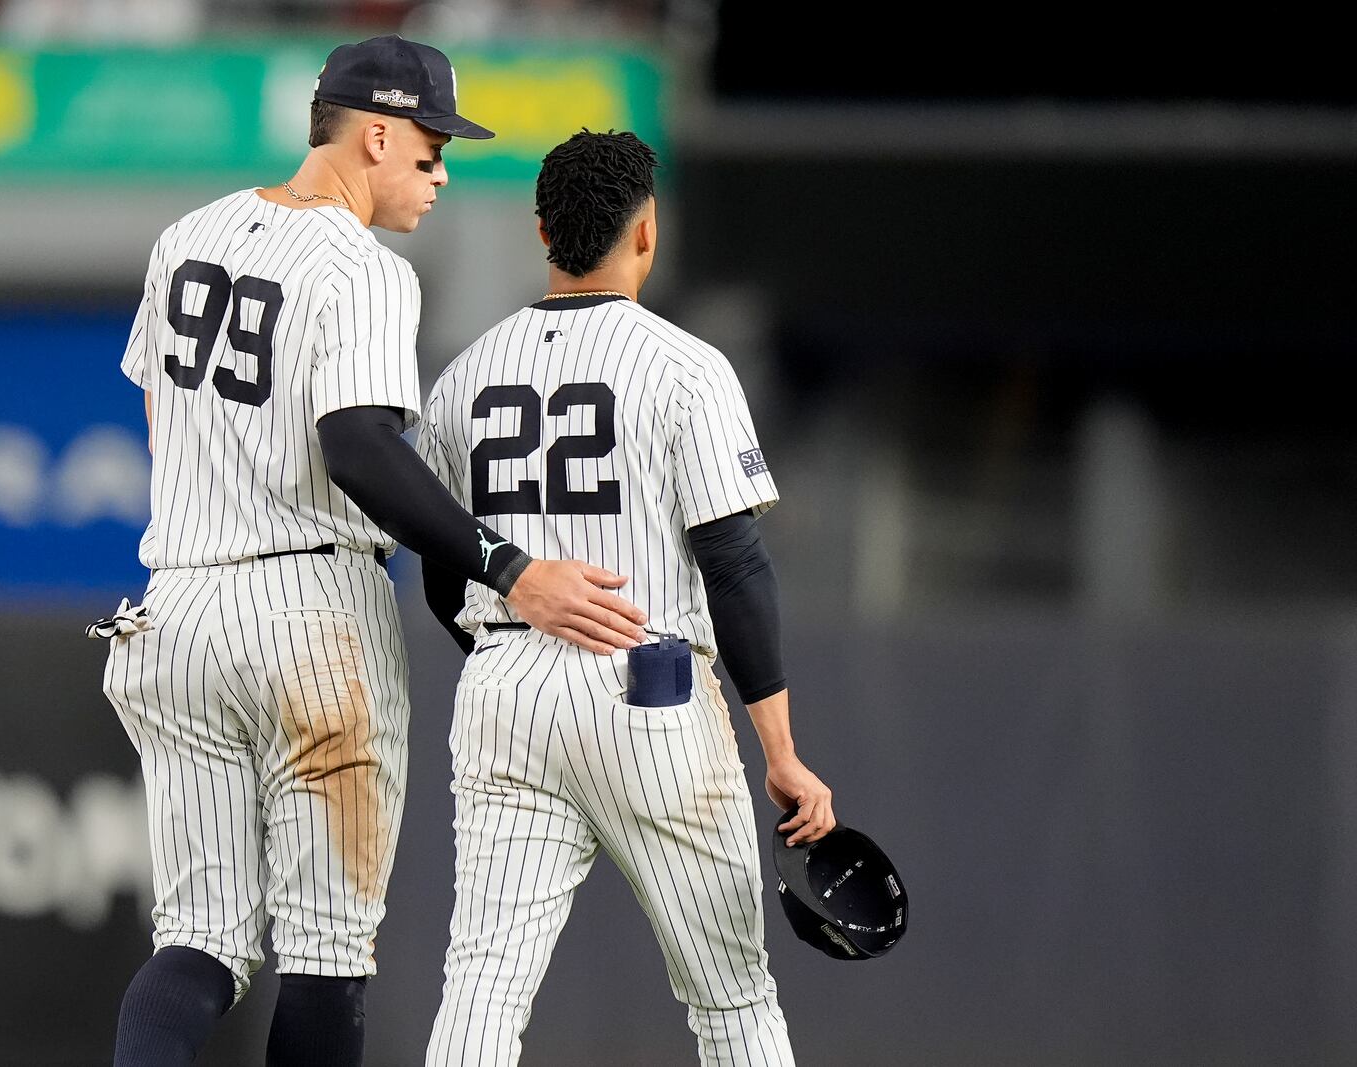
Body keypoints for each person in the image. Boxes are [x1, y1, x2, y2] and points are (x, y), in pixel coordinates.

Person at [96, 40, 647, 1067]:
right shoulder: (361, 267)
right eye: (432, 153)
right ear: (377, 132)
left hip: (171, 605)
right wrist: (511, 570)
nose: (440, 178)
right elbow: (356, 446)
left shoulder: (189, 233)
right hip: (307, 610)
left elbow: (158, 416)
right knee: (326, 946)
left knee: (200, 941)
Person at [416, 130, 835, 1066]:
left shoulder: (467, 374)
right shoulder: (687, 367)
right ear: (646, 233)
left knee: (482, 984)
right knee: (729, 999)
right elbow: (734, 564)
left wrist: (511, 657)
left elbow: (449, 569)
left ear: (541, 231)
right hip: (649, 682)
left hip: (504, 681)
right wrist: (782, 753)